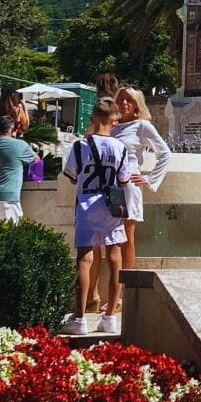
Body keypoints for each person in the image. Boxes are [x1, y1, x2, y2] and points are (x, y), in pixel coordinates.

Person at [62, 97, 132, 332]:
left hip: (86, 203)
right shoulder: (120, 147)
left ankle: (80, 318)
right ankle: (110, 317)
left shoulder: (81, 146)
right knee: (115, 258)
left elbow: (72, 175)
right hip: (111, 205)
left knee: (85, 259)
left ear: (92, 119)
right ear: (114, 120)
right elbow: (123, 179)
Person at [108, 84, 172, 308]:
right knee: (109, 239)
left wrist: (149, 179)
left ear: (136, 104)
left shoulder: (141, 126)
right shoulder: (112, 126)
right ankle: (111, 292)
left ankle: (125, 290)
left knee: (127, 235)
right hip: (108, 186)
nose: (124, 103)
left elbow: (164, 153)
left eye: (129, 100)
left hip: (128, 185)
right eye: (121, 99)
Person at [0, 113, 36, 223]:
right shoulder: (20, 145)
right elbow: (36, 160)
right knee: (11, 236)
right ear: (12, 129)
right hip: (7, 197)